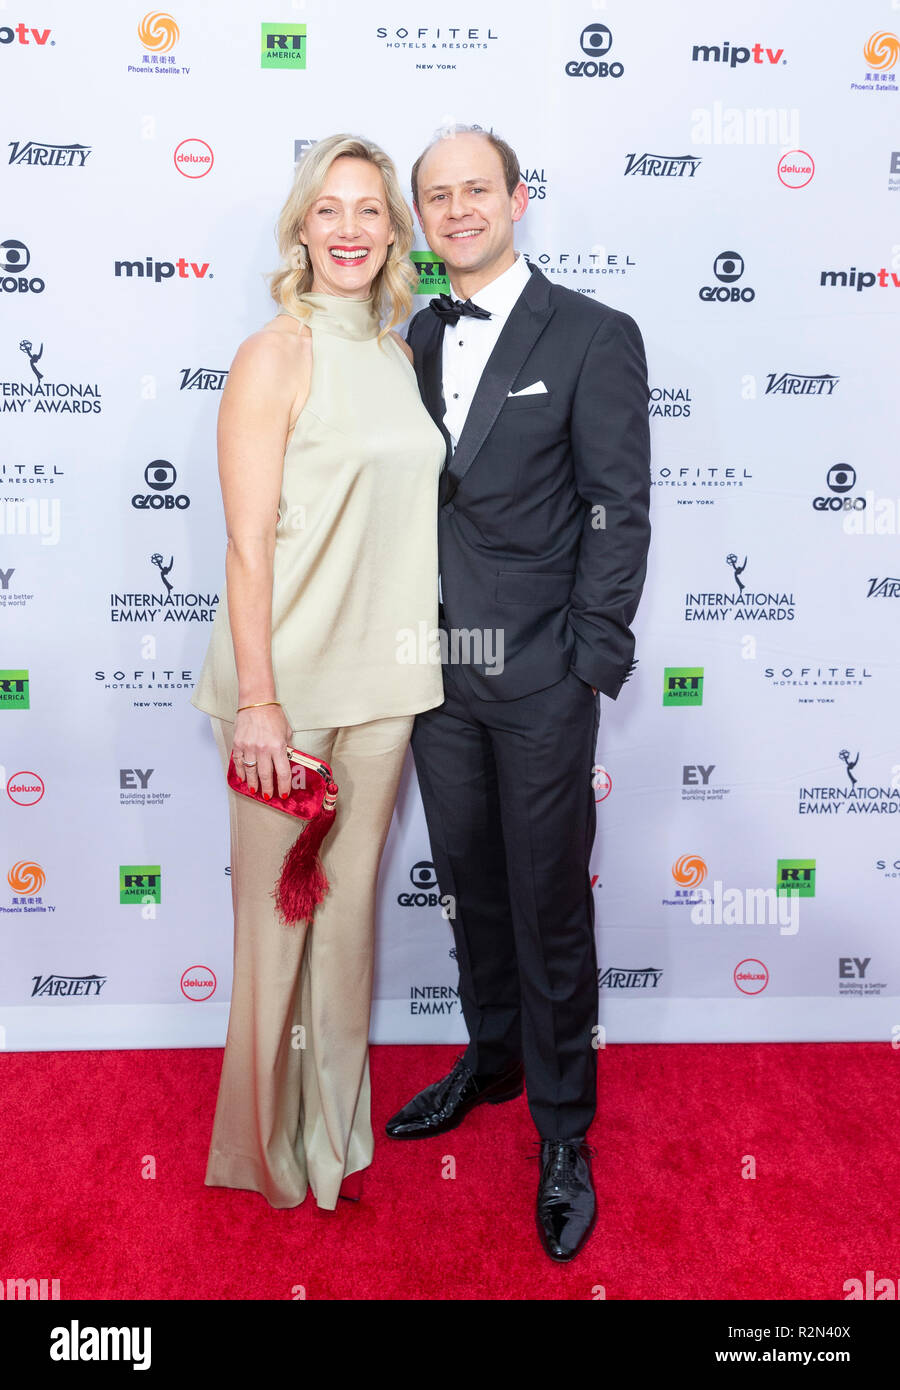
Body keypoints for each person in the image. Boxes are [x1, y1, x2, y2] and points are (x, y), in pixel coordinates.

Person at [385, 126, 651, 1262]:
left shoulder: (593, 333)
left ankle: (563, 1129)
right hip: (432, 674)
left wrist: (589, 659)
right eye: (435, 197)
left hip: (543, 676)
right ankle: (492, 1059)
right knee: (472, 892)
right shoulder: (413, 333)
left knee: (550, 905)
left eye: (474, 191)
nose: (456, 212)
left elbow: (618, 507)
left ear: (517, 199)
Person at [190, 134, 445, 1210]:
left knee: (344, 932)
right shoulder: (275, 353)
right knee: (277, 929)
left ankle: (331, 1139)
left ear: (395, 232)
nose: (349, 229)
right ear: (302, 227)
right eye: (328, 209)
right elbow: (249, 543)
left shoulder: (394, 350)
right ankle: (260, 1150)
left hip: (387, 683)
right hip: (283, 691)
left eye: (370, 211)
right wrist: (258, 701)